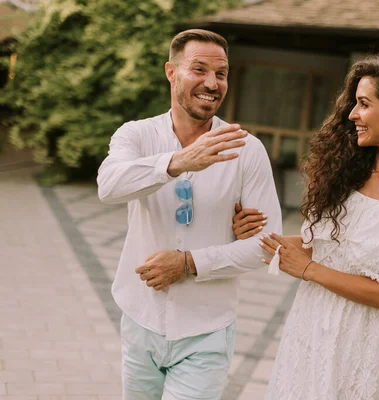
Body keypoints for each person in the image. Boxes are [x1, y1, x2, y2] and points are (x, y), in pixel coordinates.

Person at [233, 47, 379, 399]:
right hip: (311, 327)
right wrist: (255, 233)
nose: (352, 114)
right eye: (354, 103)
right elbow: (320, 248)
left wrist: (308, 271)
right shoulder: (349, 171)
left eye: (365, 104)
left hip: (368, 344)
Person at [96, 29, 282, 400]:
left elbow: (267, 244)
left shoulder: (246, 149)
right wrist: (177, 163)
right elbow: (109, 187)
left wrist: (189, 263)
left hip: (206, 329)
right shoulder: (136, 135)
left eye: (221, 74)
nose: (212, 84)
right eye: (199, 70)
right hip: (140, 318)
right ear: (171, 72)